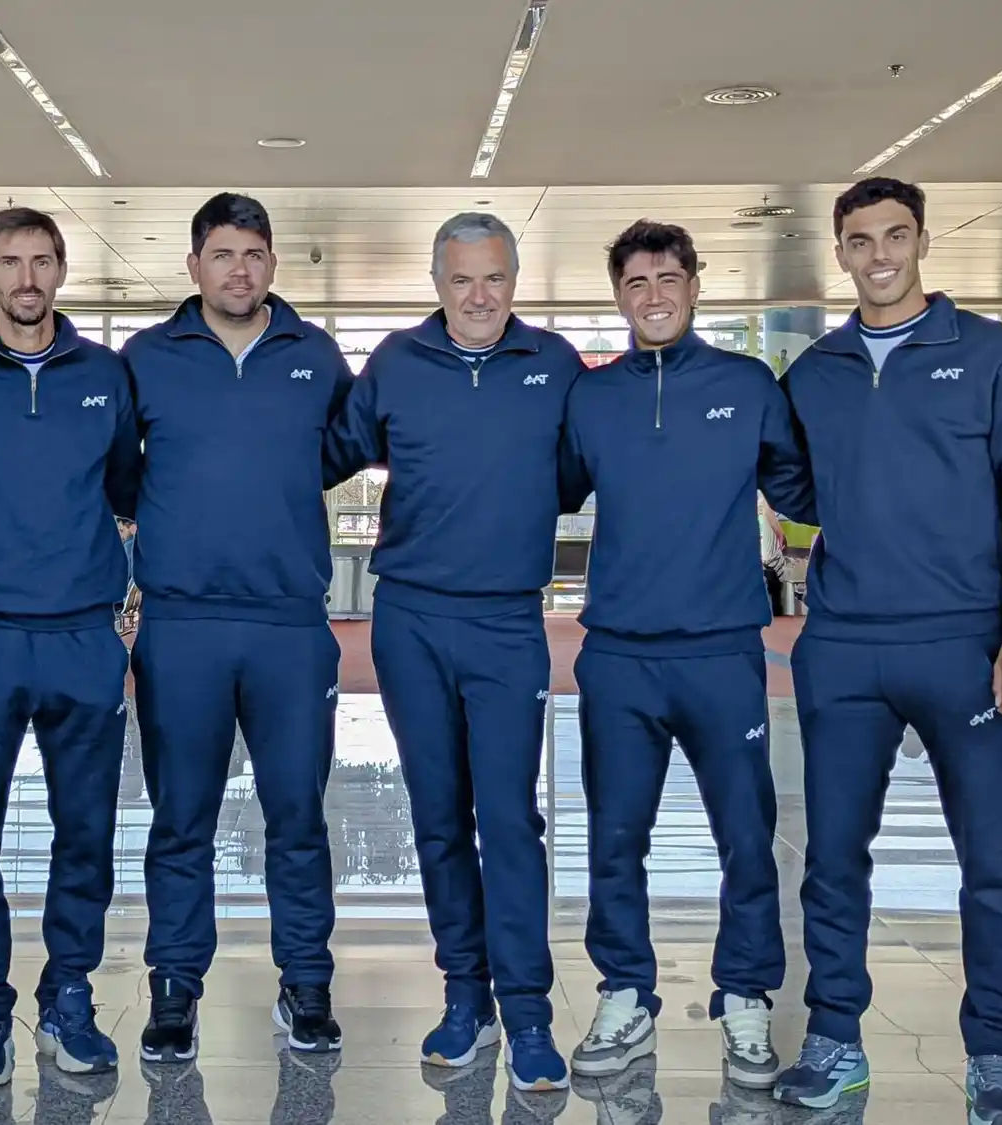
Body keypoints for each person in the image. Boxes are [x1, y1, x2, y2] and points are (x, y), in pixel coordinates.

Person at [774, 177, 1002, 1124]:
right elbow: (799, 490)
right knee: (831, 859)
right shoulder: (816, 371)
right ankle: (834, 1039)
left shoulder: (986, 352)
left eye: (896, 236)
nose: (880, 255)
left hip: (965, 648)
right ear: (841, 251)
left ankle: (992, 1057)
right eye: (860, 241)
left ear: (923, 240)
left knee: (991, 860)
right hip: (846, 648)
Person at [323, 212, 583, 1092]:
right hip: (413, 621)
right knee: (439, 816)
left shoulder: (552, 366)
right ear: (438, 283)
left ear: (517, 280)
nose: (480, 296)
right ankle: (465, 995)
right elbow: (325, 451)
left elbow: (584, 470)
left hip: (508, 622)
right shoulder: (396, 362)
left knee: (509, 820)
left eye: (496, 278)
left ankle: (532, 1010)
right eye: (463, 279)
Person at [557, 220, 816, 1089]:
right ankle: (626, 991)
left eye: (669, 278)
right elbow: (538, 489)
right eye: (636, 282)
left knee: (747, 837)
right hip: (619, 656)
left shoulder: (747, 386)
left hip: (720, 653)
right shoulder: (592, 398)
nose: (655, 295)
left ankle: (745, 997)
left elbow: (811, 488)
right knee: (614, 838)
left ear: (697, 286)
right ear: (619, 295)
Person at [121, 193, 354, 1062]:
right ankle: (175, 985)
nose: (239, 270)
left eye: (254, 253)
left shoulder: (315, 355)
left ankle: (306, 982)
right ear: (194, 265)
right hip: (183, 624)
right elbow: (119, 473)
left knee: (298, 813)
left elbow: (334, 452)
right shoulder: (146, 358)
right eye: (222, 254)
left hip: (290, 625)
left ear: (272, 263)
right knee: (182, 816)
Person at [0, 207, 140, 1086]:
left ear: (61, 270)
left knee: (84, 831)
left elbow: (126, 484)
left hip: (85, 635)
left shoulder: (106, 374)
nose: (26, 277)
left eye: (41, 261)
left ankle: (68, 995)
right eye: (9, 261)